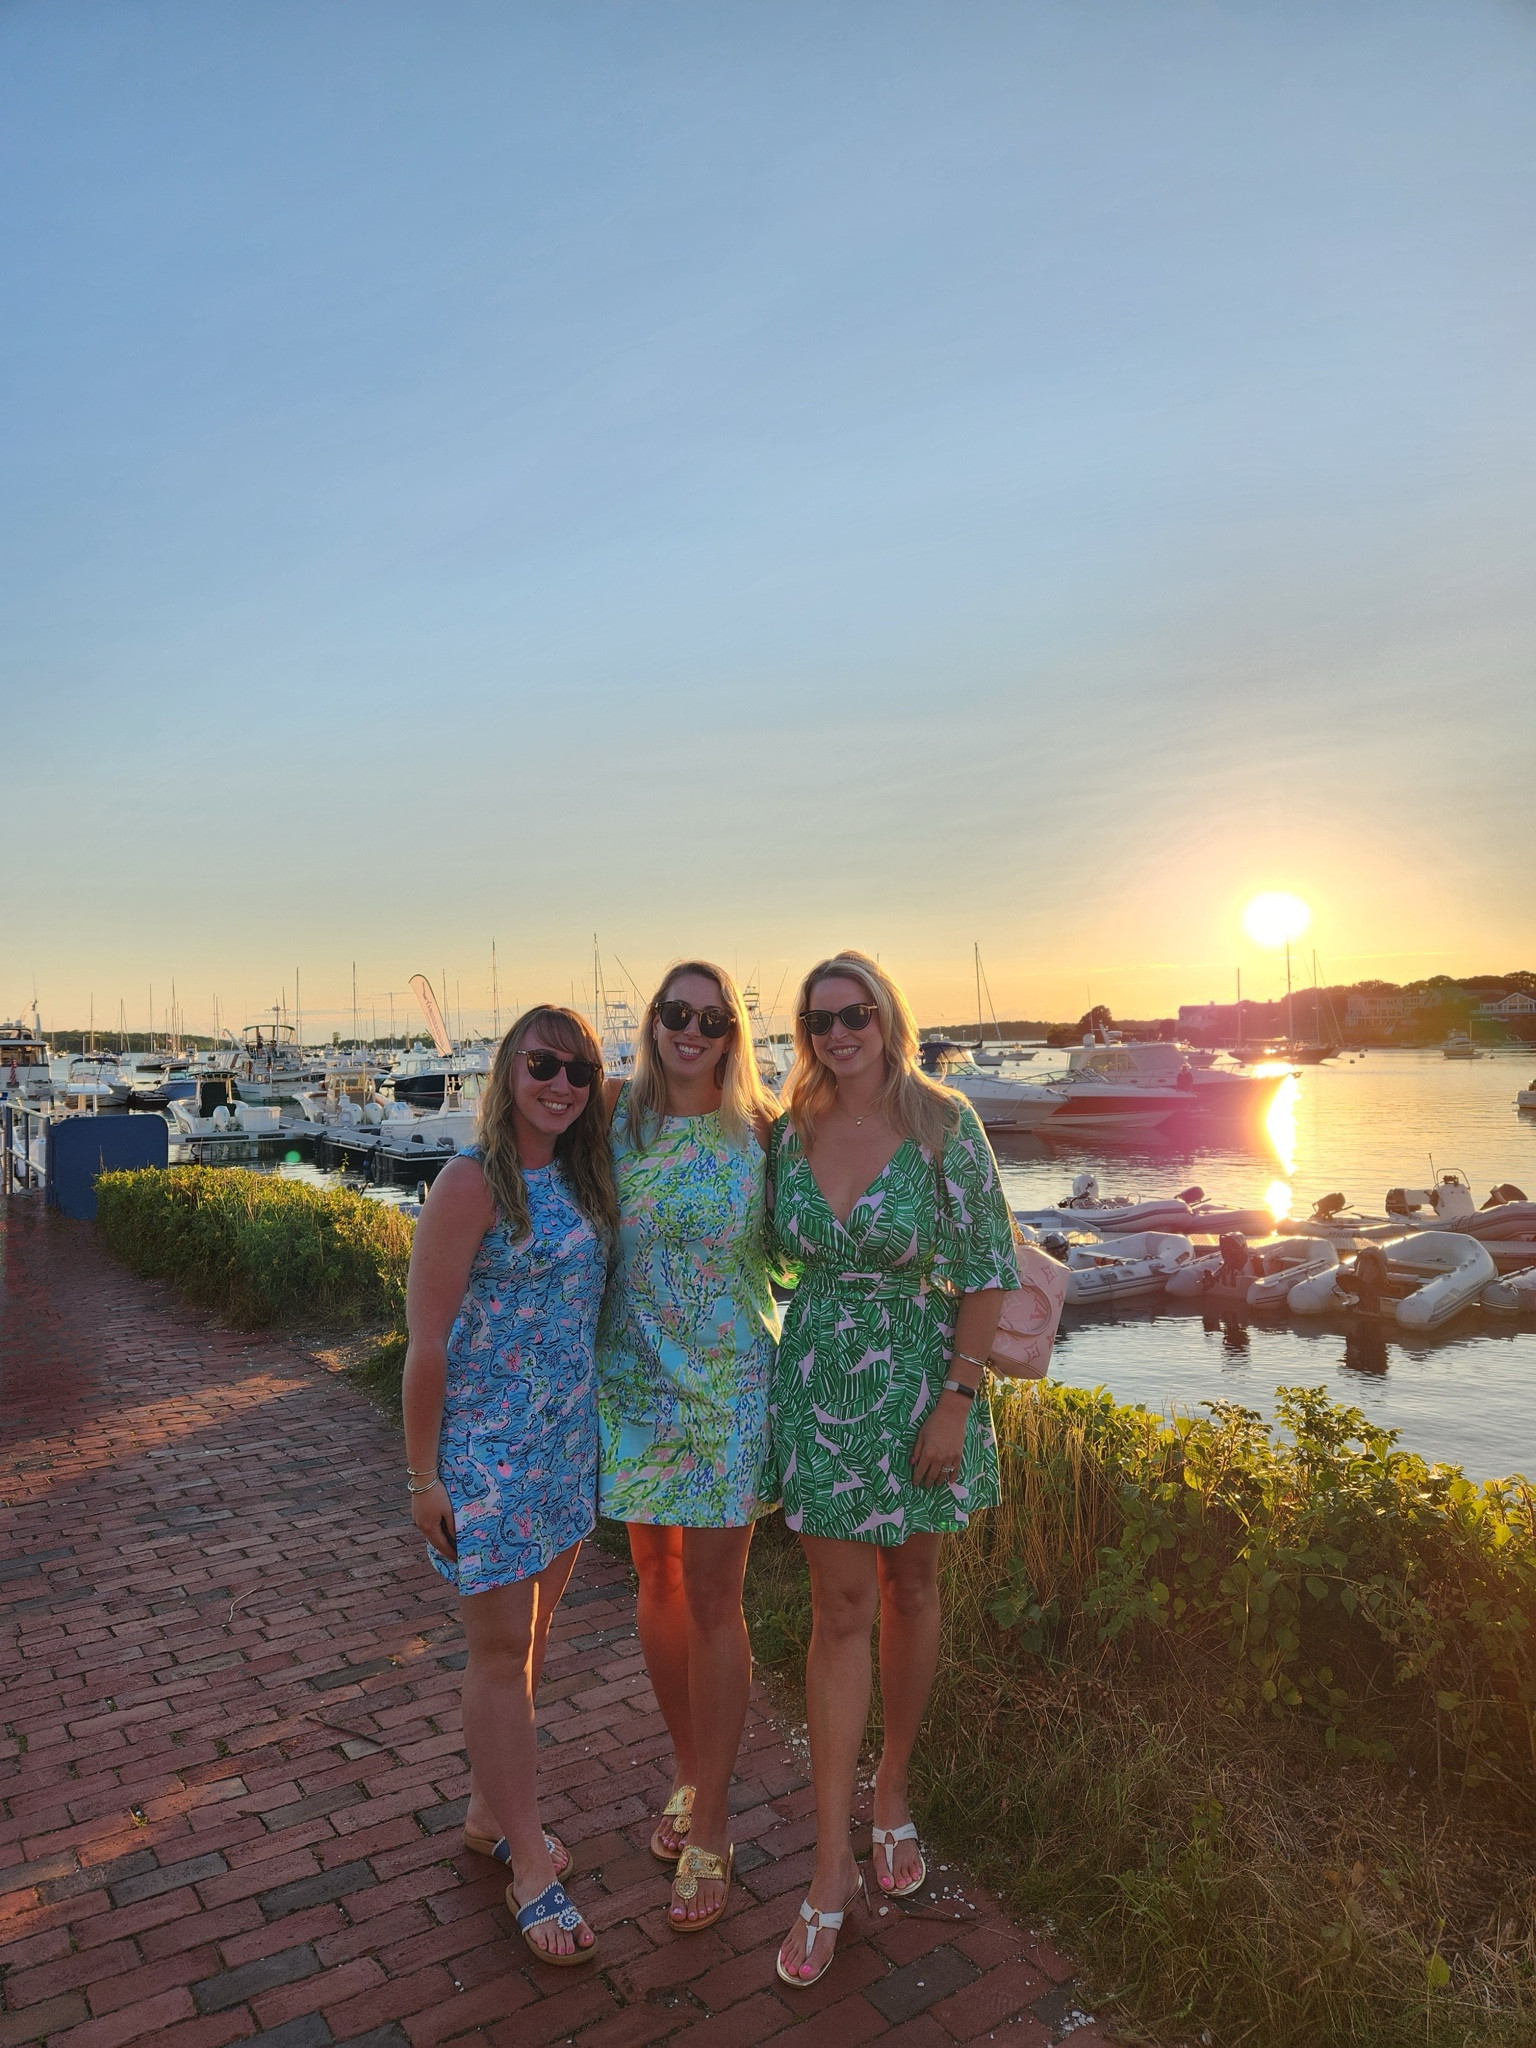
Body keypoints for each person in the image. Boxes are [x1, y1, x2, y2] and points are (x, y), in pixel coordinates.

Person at [766, 950, 1020, 1988]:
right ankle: (829, 1867)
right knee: (837, 1614)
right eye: (820, 1018)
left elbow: (991, 1264)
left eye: (855, 1011)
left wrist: (959, 1398)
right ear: (805, 1031)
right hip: (820, 1388)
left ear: (888, 1017)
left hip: (922, 1387)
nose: (839, 1031)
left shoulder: (943, 1122)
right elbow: (754, 1255)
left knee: (911, 1585)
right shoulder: (787, 1132)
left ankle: (894, 1791)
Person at [402, 1006, 618, 1966]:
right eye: (543, 1064)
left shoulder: (584, 1177)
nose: (560, 1084)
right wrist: (421, 1475)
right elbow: (427, 1340)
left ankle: (490, 1815)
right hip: (486, 1460)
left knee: (527, 1646)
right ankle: (529, 1863)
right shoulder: (469, 1182)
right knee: (497, 1654)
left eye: (578, 1071)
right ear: (509, 1070)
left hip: (568, 1449)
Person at [597, 960, 782, 1934]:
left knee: (716, 1597)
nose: (693, 1029)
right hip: (634, 1382)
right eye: (678, 1012)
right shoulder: (617, 1119)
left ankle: (713, 1819)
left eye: (713, 1017)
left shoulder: (759, 1128)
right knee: (654, 1580)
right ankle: (685, 1764)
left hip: (729, 1385)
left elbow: (807, 1240)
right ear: (654, 1020)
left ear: (731, 1033)